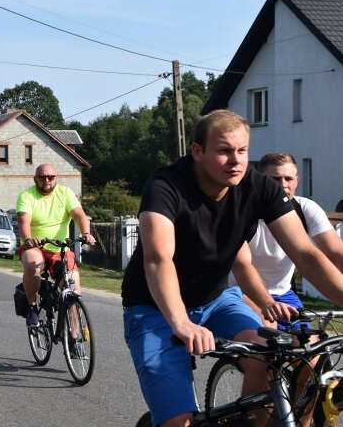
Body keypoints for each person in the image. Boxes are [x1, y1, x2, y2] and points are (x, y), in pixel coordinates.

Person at [121, 110, 343, 427]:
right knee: (180, 421)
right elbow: (158, 259)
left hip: (217, 300)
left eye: (242, 151)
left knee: (271, 356)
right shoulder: (166, 186)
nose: (235, 161)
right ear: (197, 151)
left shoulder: (259, 187)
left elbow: (306, 252)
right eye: (224, 151)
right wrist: (181, 322)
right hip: (155, 308)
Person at [230, 152, 343, 329]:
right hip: (240, 291)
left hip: (283, 293)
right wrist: (266, 304)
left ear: (296, 180)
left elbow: (337, 253)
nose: (282, 185)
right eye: (274, 179)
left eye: (288, 178)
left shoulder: (306, 209)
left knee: (310, 348)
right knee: (268, 336)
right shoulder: (242, 213)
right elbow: (242, 266)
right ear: (260, 181)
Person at [16, 163, 96, 328]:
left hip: (60, 249)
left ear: (56, 179)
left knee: (73, 291)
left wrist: (86, 233)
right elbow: (24, 221)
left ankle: (74, 339)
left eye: (50, 177)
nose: (47, 180)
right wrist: (28, 238)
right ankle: (32, 307)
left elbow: (79, 214)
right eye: (42, 177)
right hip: (35, 245)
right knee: (32, 265)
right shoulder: (27, 195)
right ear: (35, 179)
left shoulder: (65, 193)